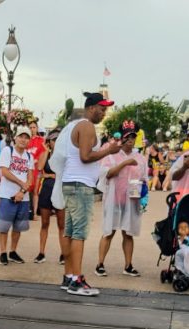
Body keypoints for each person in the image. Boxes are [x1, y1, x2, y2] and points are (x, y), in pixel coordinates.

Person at [52, 91, 120, 297]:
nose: (104, 113)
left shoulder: (76, 126)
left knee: (71, 232)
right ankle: (77, 280)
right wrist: (109, 151)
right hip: (80, 185)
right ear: (91, 108)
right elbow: (85, 156)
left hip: (72, 183)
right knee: (79, 233)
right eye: (102, 108)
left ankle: (69, 276)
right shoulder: (87, 126)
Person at [95, 125, 149, 277]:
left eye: (133, 137)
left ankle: (128, 265)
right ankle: (100, 264)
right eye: (127, 137)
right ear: (121, 139)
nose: (130, 140)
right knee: (109, 231)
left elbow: (144, 179)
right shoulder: (112, 155)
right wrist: (125, 163)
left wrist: (144, 196)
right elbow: (107, 174)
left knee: (128, 233)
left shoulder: (140, 158)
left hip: (131, 200)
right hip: (114, 199)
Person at [0, 125, 34, 265]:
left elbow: (30, 177)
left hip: (23, 197)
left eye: (26, 137)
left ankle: (13, 251)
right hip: (7, 194)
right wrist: (21, 183)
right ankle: (3, 252)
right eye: (21, 136)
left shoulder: (29, 156)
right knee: (4, 226)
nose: (23, 140)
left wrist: (22, 191)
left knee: (19, 226)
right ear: (15, 138)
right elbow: (4, 171)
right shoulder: (7, 151)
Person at [34, 131, 64, 264]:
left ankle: (63, 254)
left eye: (58, 140)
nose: (56, 142)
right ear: (49, 142)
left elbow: (64, 174)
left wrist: (49, 175)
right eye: (53, 140)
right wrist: (46, 151)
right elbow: (40, 168)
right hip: (46, 190)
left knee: (61, 225)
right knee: (44, 223)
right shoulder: (45, 154)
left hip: (60, 191)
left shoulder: (64, 157)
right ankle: (41, 253)